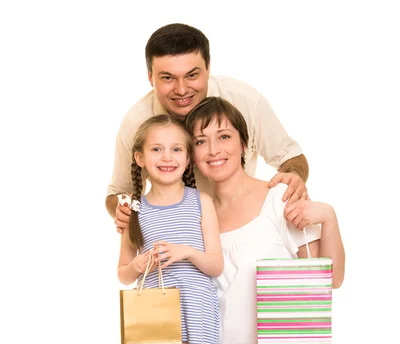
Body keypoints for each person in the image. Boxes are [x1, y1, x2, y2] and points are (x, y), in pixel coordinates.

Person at [183, 96, 345, 344]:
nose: (213, 149)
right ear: (192, 156)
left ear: (244, 143)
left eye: (224, 136)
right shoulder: (197, 215)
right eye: (201, 141)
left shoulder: (279, 198)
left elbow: (331, 279)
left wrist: (329, 218)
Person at [106, 23, 310, 234]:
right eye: (168, 78)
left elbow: (291, 157)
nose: (182, 89)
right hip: (180, 237)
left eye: (192, 75)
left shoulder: (245, 101)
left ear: (208, 68)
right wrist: (123, 208)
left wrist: (293, 179)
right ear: (150, 77)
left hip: (245, 227)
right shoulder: (136, 124)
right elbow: (118, 193)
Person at [117, 114, 223, 344]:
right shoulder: (135, 209)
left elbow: (215, 265)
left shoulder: (201, 202)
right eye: (157, 150)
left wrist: (186, 251)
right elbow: (123, 273)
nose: (167, 157)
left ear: (188, 157)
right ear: (140, 158)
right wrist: (139, 264)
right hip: (153, 318)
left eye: (177, 149)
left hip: (196, 314)